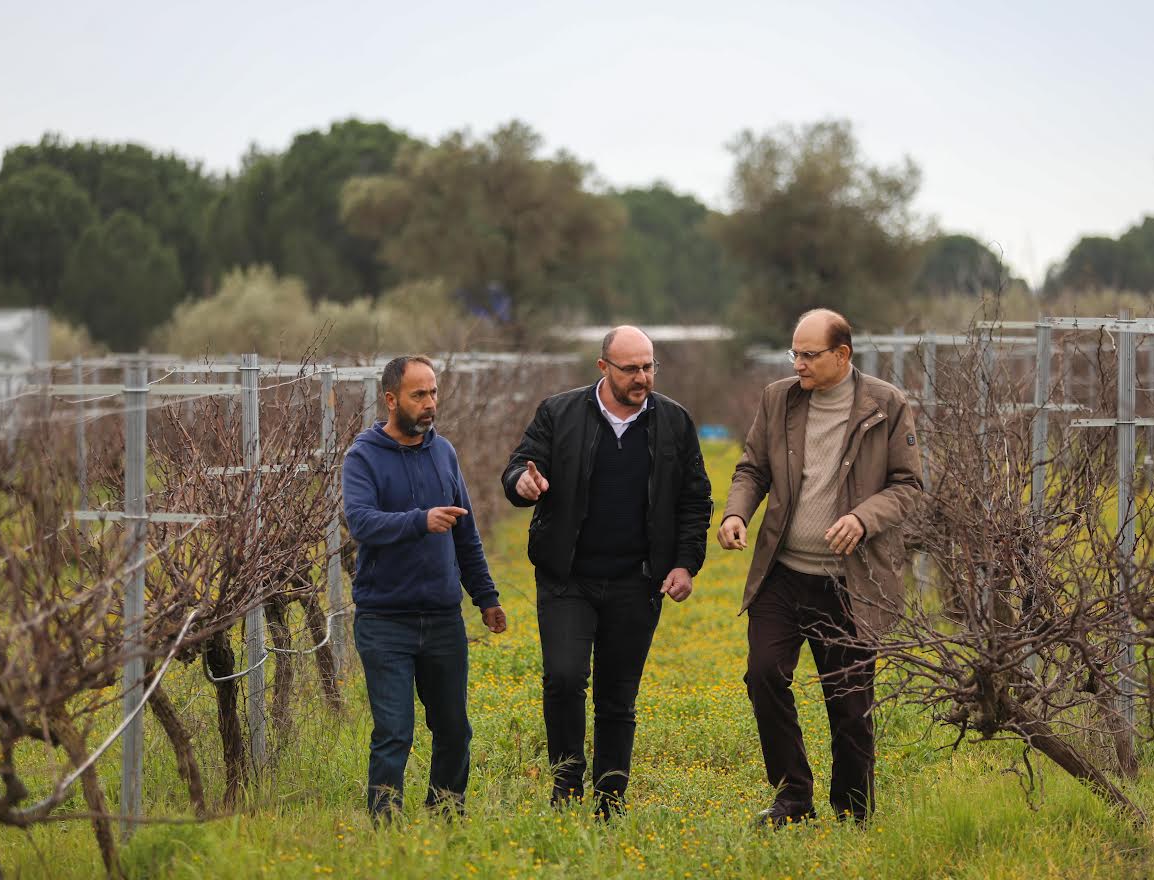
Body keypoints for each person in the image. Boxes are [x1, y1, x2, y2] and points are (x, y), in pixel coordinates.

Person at [717, 308, 922, 826]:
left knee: (850, 705)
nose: (799, 364)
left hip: (850, 583)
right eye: (795, 353)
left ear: (842, 355)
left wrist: (863, 516)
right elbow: (752, 467)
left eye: (809, 355)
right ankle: (793, 798)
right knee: (763, 675)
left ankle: (854, 809)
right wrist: (737, 512)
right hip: (783, 575)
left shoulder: (888, 405)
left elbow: (908, 487)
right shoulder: (778, 399)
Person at [502, 325, 713, 817]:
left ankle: (610, 800)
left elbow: (694, 498)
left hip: (636, 581)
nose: (642, 377)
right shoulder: (560, 412)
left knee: (618, 697)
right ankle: (566, 787)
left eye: (649, 366)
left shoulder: (674, 423)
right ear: (603, 368)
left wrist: (684, 563)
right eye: (631, 368)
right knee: (563, 678)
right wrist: (523, 485)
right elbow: (516, 470)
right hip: (567, 577)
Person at [343, 355, 508, 822]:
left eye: (433, 392)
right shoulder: (363, 457)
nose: (430, 403)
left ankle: (446, 817)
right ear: (391, 399)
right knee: (394, 731)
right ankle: (385, 826)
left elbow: (466, 533)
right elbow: (360, 522)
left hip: (442, 619)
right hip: (384, 619)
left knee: (454, 729)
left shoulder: (444, 453)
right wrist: (420, 521)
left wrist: (487, 597)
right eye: (419, 395)